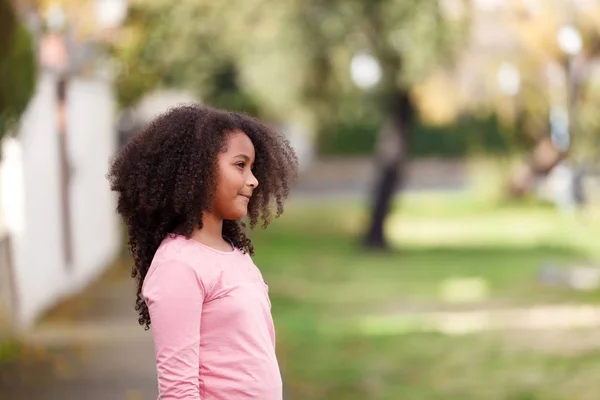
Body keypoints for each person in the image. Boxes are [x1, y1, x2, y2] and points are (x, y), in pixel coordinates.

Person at [107, 105, 298, 399]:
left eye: (253, 168)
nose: (253, 180)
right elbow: (178, 391)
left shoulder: (235, 255)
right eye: (240, 165)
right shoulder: (178, 265)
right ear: (199, 169)